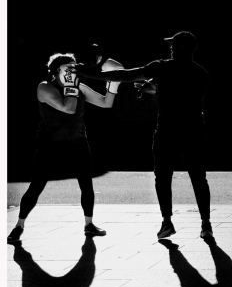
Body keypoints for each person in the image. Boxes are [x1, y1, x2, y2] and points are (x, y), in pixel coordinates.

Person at [74, 31, 213, 241]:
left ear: (183, 47)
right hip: (194, 128)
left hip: (168, 128)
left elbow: (125, 75)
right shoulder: (202, 74)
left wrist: (89, 75)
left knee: (163, 175)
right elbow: (183, 95)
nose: (171, 48)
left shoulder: (161, 67)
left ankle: (167, 222)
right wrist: (158, 90)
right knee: (198, 177)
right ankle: (206, 225)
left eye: (174, 45)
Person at [7, 51, 123, 244]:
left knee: (87, 185)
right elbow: (68, 107)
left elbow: (106, 102)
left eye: (74, 67)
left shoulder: (79, 87)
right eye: (67, 68)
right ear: (55, 72)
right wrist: (71, 85)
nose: (72, 71)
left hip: (77, 141)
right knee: (36, 186)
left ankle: (89, 225)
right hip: (50, 144)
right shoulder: (44, 87)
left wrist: (114, 80)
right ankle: (19, 225)